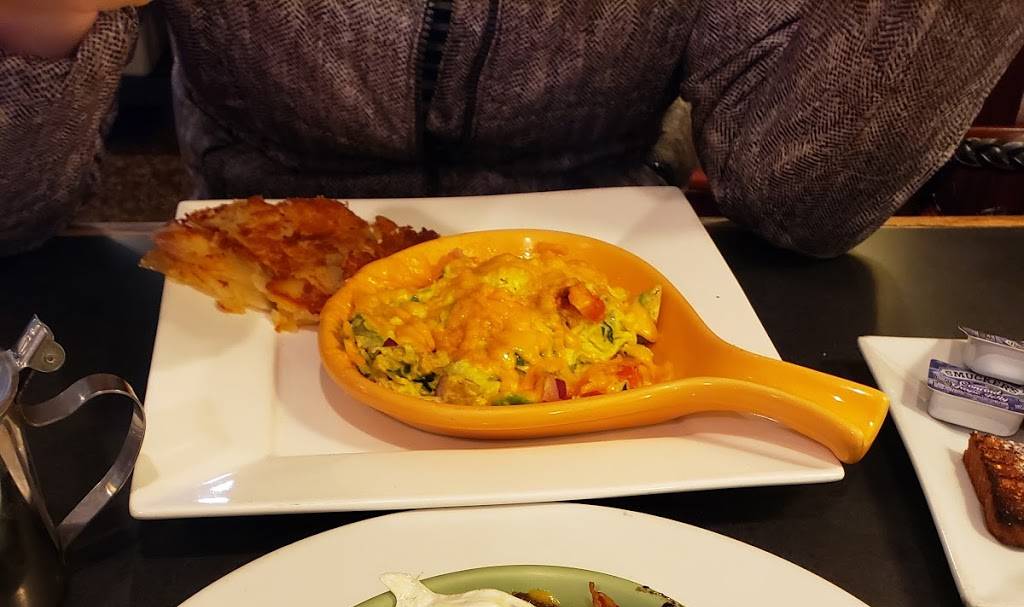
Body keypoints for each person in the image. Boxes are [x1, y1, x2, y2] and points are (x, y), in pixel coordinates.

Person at [0, 1, 1021, 257]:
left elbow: (805, 202)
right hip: (255, 280)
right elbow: (12, 219)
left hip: (604, 278)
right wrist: (36, 31)